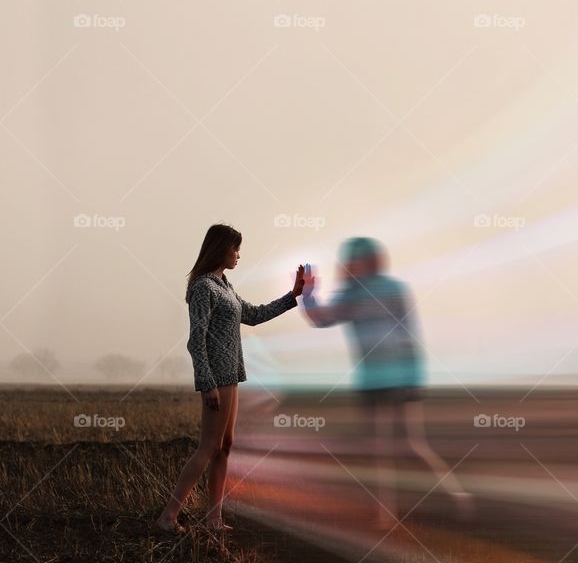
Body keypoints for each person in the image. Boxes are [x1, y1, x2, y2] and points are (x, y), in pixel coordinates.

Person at [300, 237, 472, 528]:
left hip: (387, 378)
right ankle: (438, 500)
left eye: (354, 260)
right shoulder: (389, 290)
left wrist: (307, 294)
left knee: (393, 447)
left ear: (366, 261)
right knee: (401, 446)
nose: (350, 265)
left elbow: (320, 318)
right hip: (392, 377)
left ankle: (395, 512)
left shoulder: (355, 294)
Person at [155, 223, 304, 533]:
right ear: (220, 249)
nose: (238, 254)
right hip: (217, 377)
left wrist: (293, 296)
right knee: (208, 446)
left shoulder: (225, 286)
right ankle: (168, 517)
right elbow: (196, 339)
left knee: (225, 446)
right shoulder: (203, 288)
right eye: (235, 247)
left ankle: (213, 519)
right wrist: (206, 382)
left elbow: (253, 315)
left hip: (232, 374)